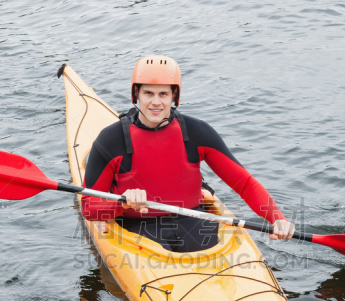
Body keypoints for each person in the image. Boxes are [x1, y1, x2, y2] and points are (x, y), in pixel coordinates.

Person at [81, 55, 294, 252]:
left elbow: (244, 183)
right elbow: (89, 209)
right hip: (136, 226)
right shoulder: (110, 140)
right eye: (148, 93)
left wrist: (277, 219)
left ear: (175, 95)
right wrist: (122, 202)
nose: (156, 102)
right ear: (136, 93)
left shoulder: (196, 133)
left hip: (193, 219)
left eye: (163, 94)